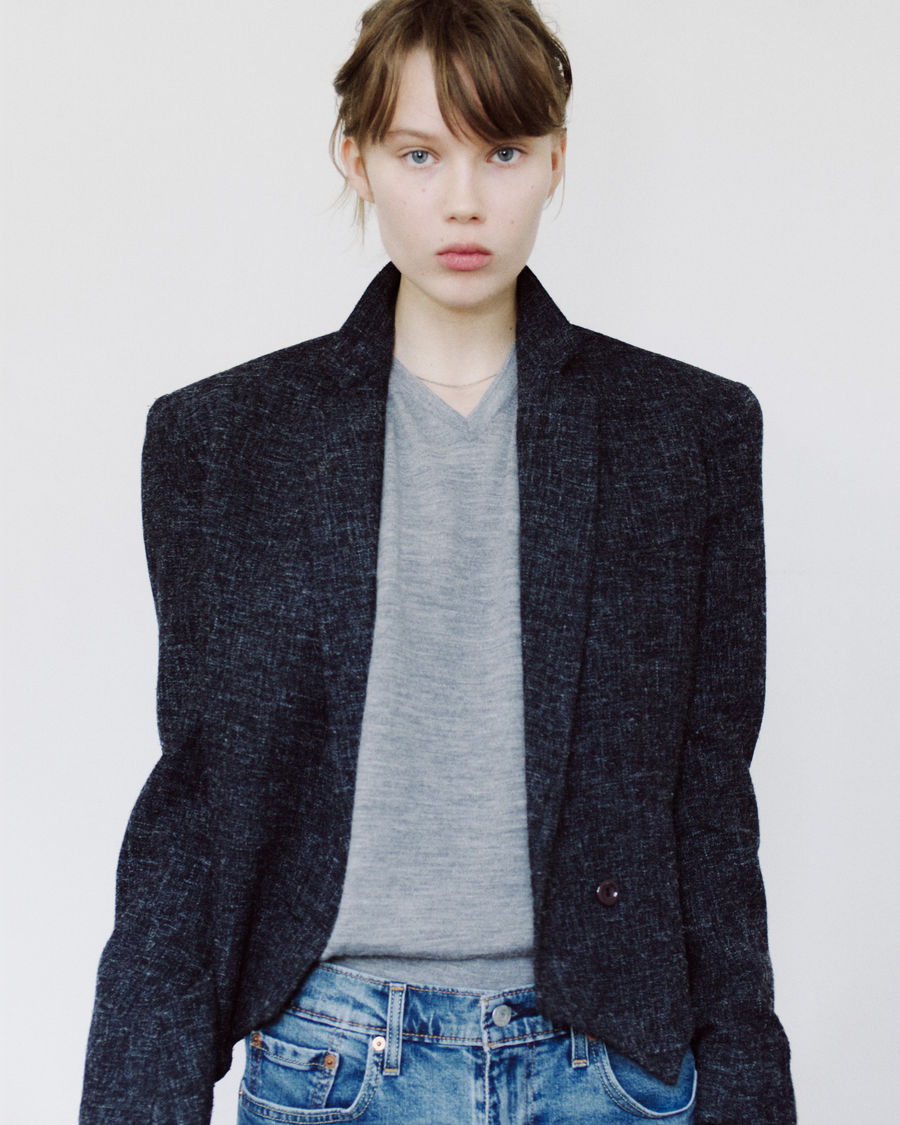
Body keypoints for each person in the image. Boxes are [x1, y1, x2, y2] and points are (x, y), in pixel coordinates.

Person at [80, 2, 796, 1123]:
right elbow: (199, 811)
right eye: (420, 153)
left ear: (557, 159)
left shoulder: (683, 435)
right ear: (356, 158)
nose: (464, 199)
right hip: (334, 1065)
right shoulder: (226, 442)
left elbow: (709, 805)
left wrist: (749, 1089)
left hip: (611, 1070)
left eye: (502, 151)